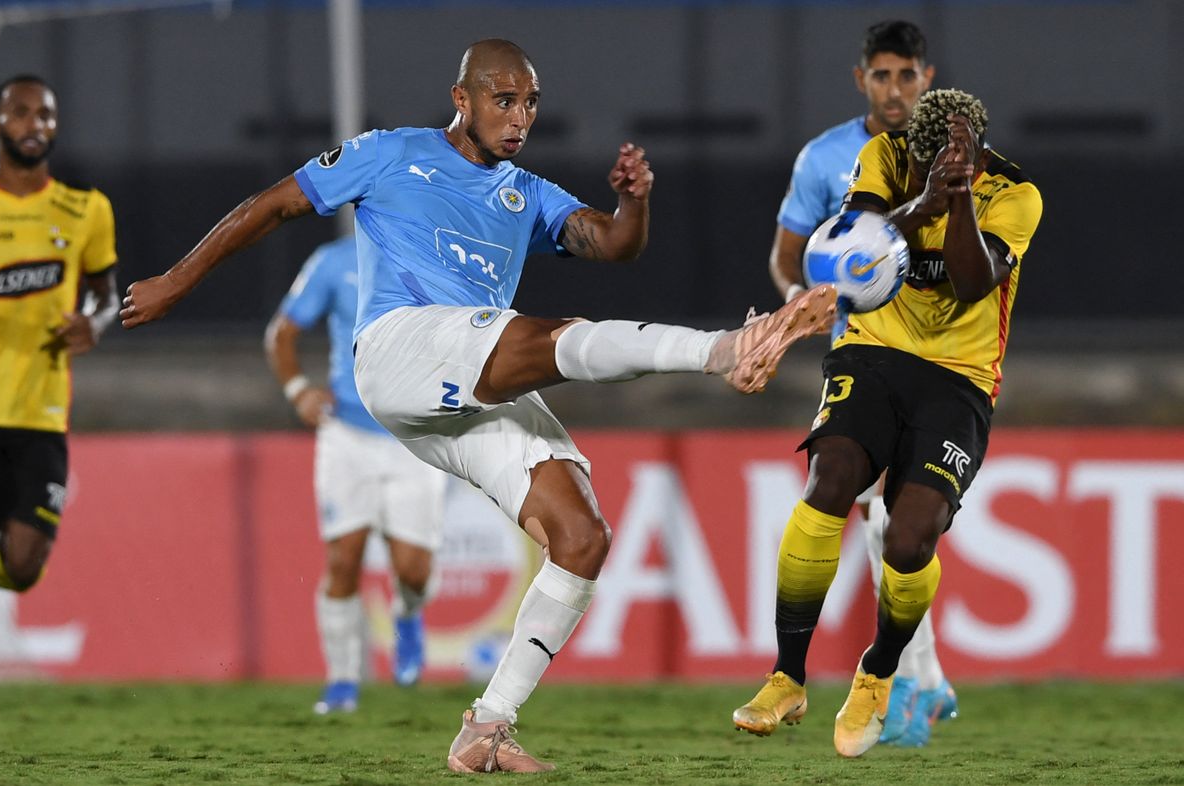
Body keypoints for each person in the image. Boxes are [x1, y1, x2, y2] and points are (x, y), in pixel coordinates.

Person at [120, 39, 836, 772]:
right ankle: (725, 350)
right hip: (398, 351)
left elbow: (616, 245)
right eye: (503, 98)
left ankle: (486, 727)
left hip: (464, 386)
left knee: (582, 535)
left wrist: (634, 202)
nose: (519, 115)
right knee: (550, 336)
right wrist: (176, 282)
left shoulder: (525, 193)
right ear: (461, 99)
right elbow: (271, 206)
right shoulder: (390, 152)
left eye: (530, 101)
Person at [732, 88, 1042, 758]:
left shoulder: (1016, 195)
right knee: (829, 482)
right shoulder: (885, 156)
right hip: (873, 353)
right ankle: (786, 675)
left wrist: (957, 198)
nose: (926, 164)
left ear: (978, 155)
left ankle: (878, 671)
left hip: (959, 382)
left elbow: (969, 282)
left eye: (949, 163)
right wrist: (925, 199)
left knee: (907, 539)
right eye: (922, 158)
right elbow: (851, 248)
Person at [763, 20, 956, 747]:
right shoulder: (826, 158)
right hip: (860, 356)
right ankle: (919, 681)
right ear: (862, 80)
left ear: (926, 78)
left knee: (894, 523)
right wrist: (800, 302)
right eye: (882, 76)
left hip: (935, 361)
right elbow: (788, 258)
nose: (895, 89)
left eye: (907, 75)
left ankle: (921, 680)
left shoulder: (951, 158)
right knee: (873, 513)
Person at [265, 234, 449, 711]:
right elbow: (281, 332)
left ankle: (407, 615)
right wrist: (298, 390)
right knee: (343, 560)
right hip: (345, 433)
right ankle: (342, 682)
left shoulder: (440, 253)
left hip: (415, 435)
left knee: (413, 570)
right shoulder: (333, 262)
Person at [0, 76, 118, 617]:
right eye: (19, 113)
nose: (33, 125)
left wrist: (95, 322)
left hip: (40, 415)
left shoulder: (86, 209)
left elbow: (106, 297)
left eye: (44, 115)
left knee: (23, 566)